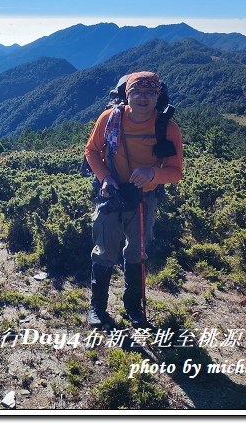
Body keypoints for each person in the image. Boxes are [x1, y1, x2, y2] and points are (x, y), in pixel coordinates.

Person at [84, 71, 183, 328]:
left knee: (137, 252)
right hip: (111, 194)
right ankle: (97, 307)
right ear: (126, 94)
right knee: (105, 250)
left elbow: (175, 172)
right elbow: (92, 151)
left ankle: (133, 308)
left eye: (150, 92)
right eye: (137, 91)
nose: (143, 97)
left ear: (158, 96)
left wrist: (153, 173)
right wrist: (105, 177)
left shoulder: (167, 128)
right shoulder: (109, 119)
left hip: (144, 198)